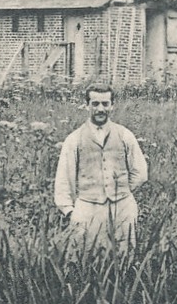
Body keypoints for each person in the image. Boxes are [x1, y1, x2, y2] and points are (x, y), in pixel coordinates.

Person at [53, 83, 148, 249]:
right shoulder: (74, 139)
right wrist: (69, 210)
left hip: (122, 208)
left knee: (124, 257)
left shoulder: (125, 135)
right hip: (88, 208)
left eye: (105, 104)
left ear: (112, 106)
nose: (100, 109)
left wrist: (121, 191)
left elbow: (140, 173)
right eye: (95, 104)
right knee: (86, 260)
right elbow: (64, 178)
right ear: (87, 105)